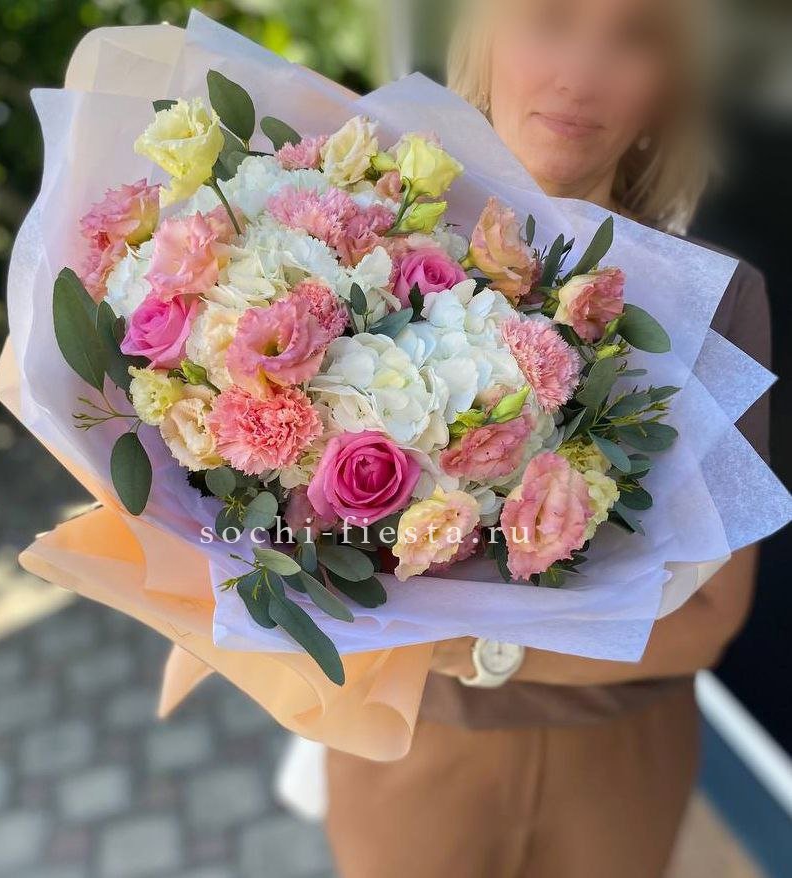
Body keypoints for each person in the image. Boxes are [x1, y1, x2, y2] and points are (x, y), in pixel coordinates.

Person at [325, 0, 772, 875]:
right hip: (409, 746)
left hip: (620, 757)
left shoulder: (716, 301)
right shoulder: (363, 242)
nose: (580, 74)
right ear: (485, 35)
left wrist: (484, 651)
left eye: (634, 39)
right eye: (550, 19)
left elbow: (706, 622)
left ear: (666, 89)